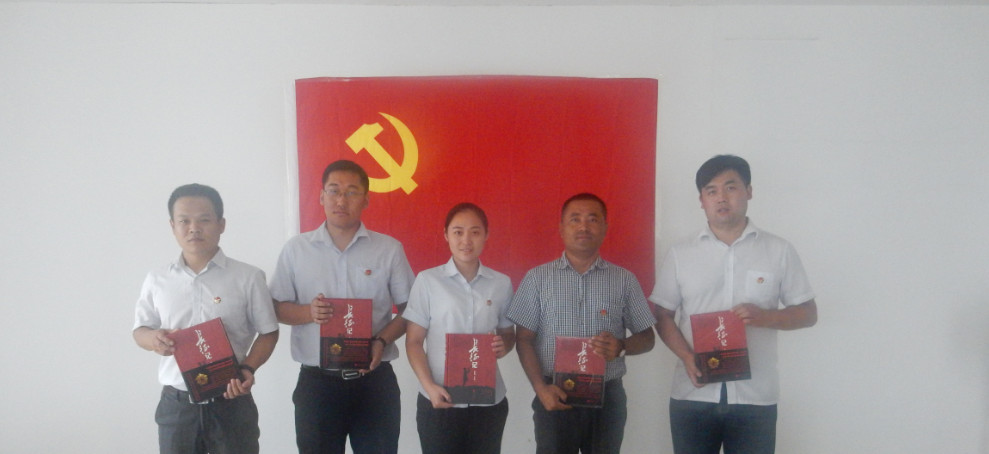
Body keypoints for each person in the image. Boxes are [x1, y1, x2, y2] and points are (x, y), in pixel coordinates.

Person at [651, 155, 818, 454]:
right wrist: (686, 357)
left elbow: (808, 313)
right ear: (701, 200)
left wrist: (765, 317)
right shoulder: (681, 253)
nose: (721, 197)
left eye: (731, 187)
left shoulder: (778, 250)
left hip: (755, 397)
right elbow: (662, 314)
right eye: (711, 191)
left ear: (749, 191)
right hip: (693, 394)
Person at [269, 159, 415, 454]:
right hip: (318, 384)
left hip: (374, 383)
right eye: (334, 190)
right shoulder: (296, 250)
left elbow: (411, 310)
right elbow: (275, 307)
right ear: (321, 197)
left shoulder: (388, 249)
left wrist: (381, 340)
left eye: (351, 192)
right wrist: (308, 313)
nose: (341, 200)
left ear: (366, 199)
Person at [132, 183, 280, 454]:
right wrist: (153, 339)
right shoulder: (157, 279)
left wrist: (248, 368)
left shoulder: (248, 277)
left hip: (231, 401)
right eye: (184, 221)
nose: (194, 228)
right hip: (177, 407)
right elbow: (140, 330)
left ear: (221, 224)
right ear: (172, 226)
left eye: (204, 220)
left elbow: (269, 331)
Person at [507, 192, 657, 454]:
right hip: (554, 392)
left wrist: (621, 346)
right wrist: (540, 389)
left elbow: (648, 338)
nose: (584, 226)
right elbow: (524, 339)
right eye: (575, 219)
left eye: (592, 219)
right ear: (561, 228)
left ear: (605, 228)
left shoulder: (624, 280)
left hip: (606, 399)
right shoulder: (536, 279)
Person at [403, 202, 516, 454]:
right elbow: (413, 342)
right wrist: (429, 387)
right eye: (458, 232)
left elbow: (508, 334)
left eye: (475, 232)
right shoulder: (428, 281)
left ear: (486, 235)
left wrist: (504, 346)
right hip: (440, 400)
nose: (466, 240)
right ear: (446, 235)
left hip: (488, 403)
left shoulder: (501, 283)